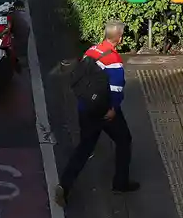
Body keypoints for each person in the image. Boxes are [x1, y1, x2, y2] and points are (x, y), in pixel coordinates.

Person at [54, 20, 140, 205]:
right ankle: (120, 182)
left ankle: (65, 185)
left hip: (85, 108)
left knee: (84, 148)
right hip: (104, 111)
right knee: (124, 140)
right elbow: (117, 89)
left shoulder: (91, 51)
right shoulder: (114, 60)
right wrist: (113, 110)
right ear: (119, 38)